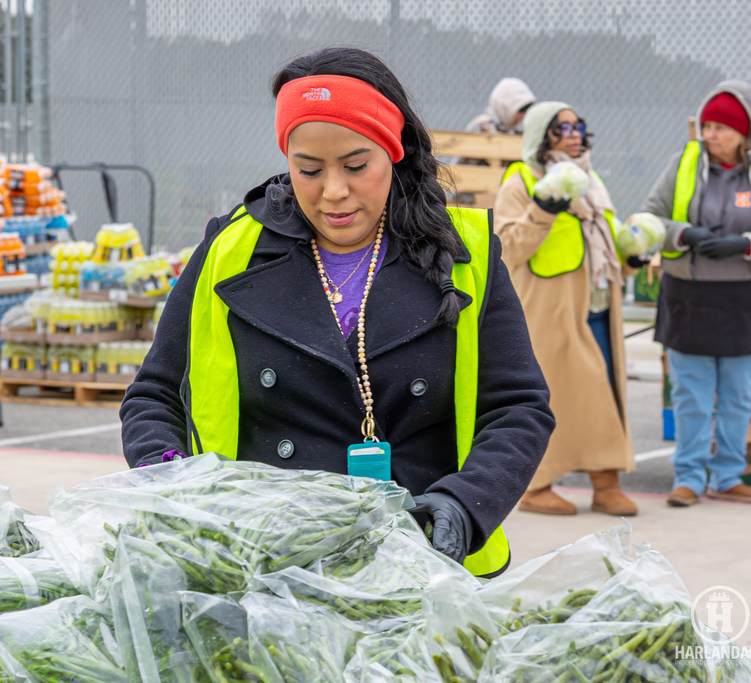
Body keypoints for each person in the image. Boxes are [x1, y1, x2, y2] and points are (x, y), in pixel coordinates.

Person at [121, 46, 555, 578]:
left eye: (356, 165)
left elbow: (518, 407)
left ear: (393, 151)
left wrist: (464, 507)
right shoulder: (229, 251)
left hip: (424, 560)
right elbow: (155, 393)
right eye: (308, 169)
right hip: (263, 563)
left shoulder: (466, 253)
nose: (334, 192)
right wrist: (170, 482)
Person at [641, 81, 751, 507]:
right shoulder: (682, 165)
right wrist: (684, 233)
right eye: (707, 126)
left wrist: (746, 245)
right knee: (692, 395)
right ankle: (688, 477)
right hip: (688, 297)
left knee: (739, 394)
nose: (709, 135)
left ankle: (727, 476)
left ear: (744, 134)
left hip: (745, 299)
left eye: (720, 128)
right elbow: (649, 217)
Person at [494, 102, 638, 516]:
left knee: (604, 392)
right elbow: (506, 247)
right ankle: (536, 487)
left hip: (595, 308)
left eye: (578, 126)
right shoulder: (519, 181)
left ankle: (606, 485)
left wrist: (632, 260)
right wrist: (544, 207)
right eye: (562, 128)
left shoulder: (591, 183)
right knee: (552, 399)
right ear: (542, 135)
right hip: (550, 313)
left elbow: (603, 246)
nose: (574, 134)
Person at [465, 77, 536, 135]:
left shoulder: (510, 131)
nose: (522, 116)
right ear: (506, 107)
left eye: (526, 111)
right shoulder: (481, 127)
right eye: (521, 110)